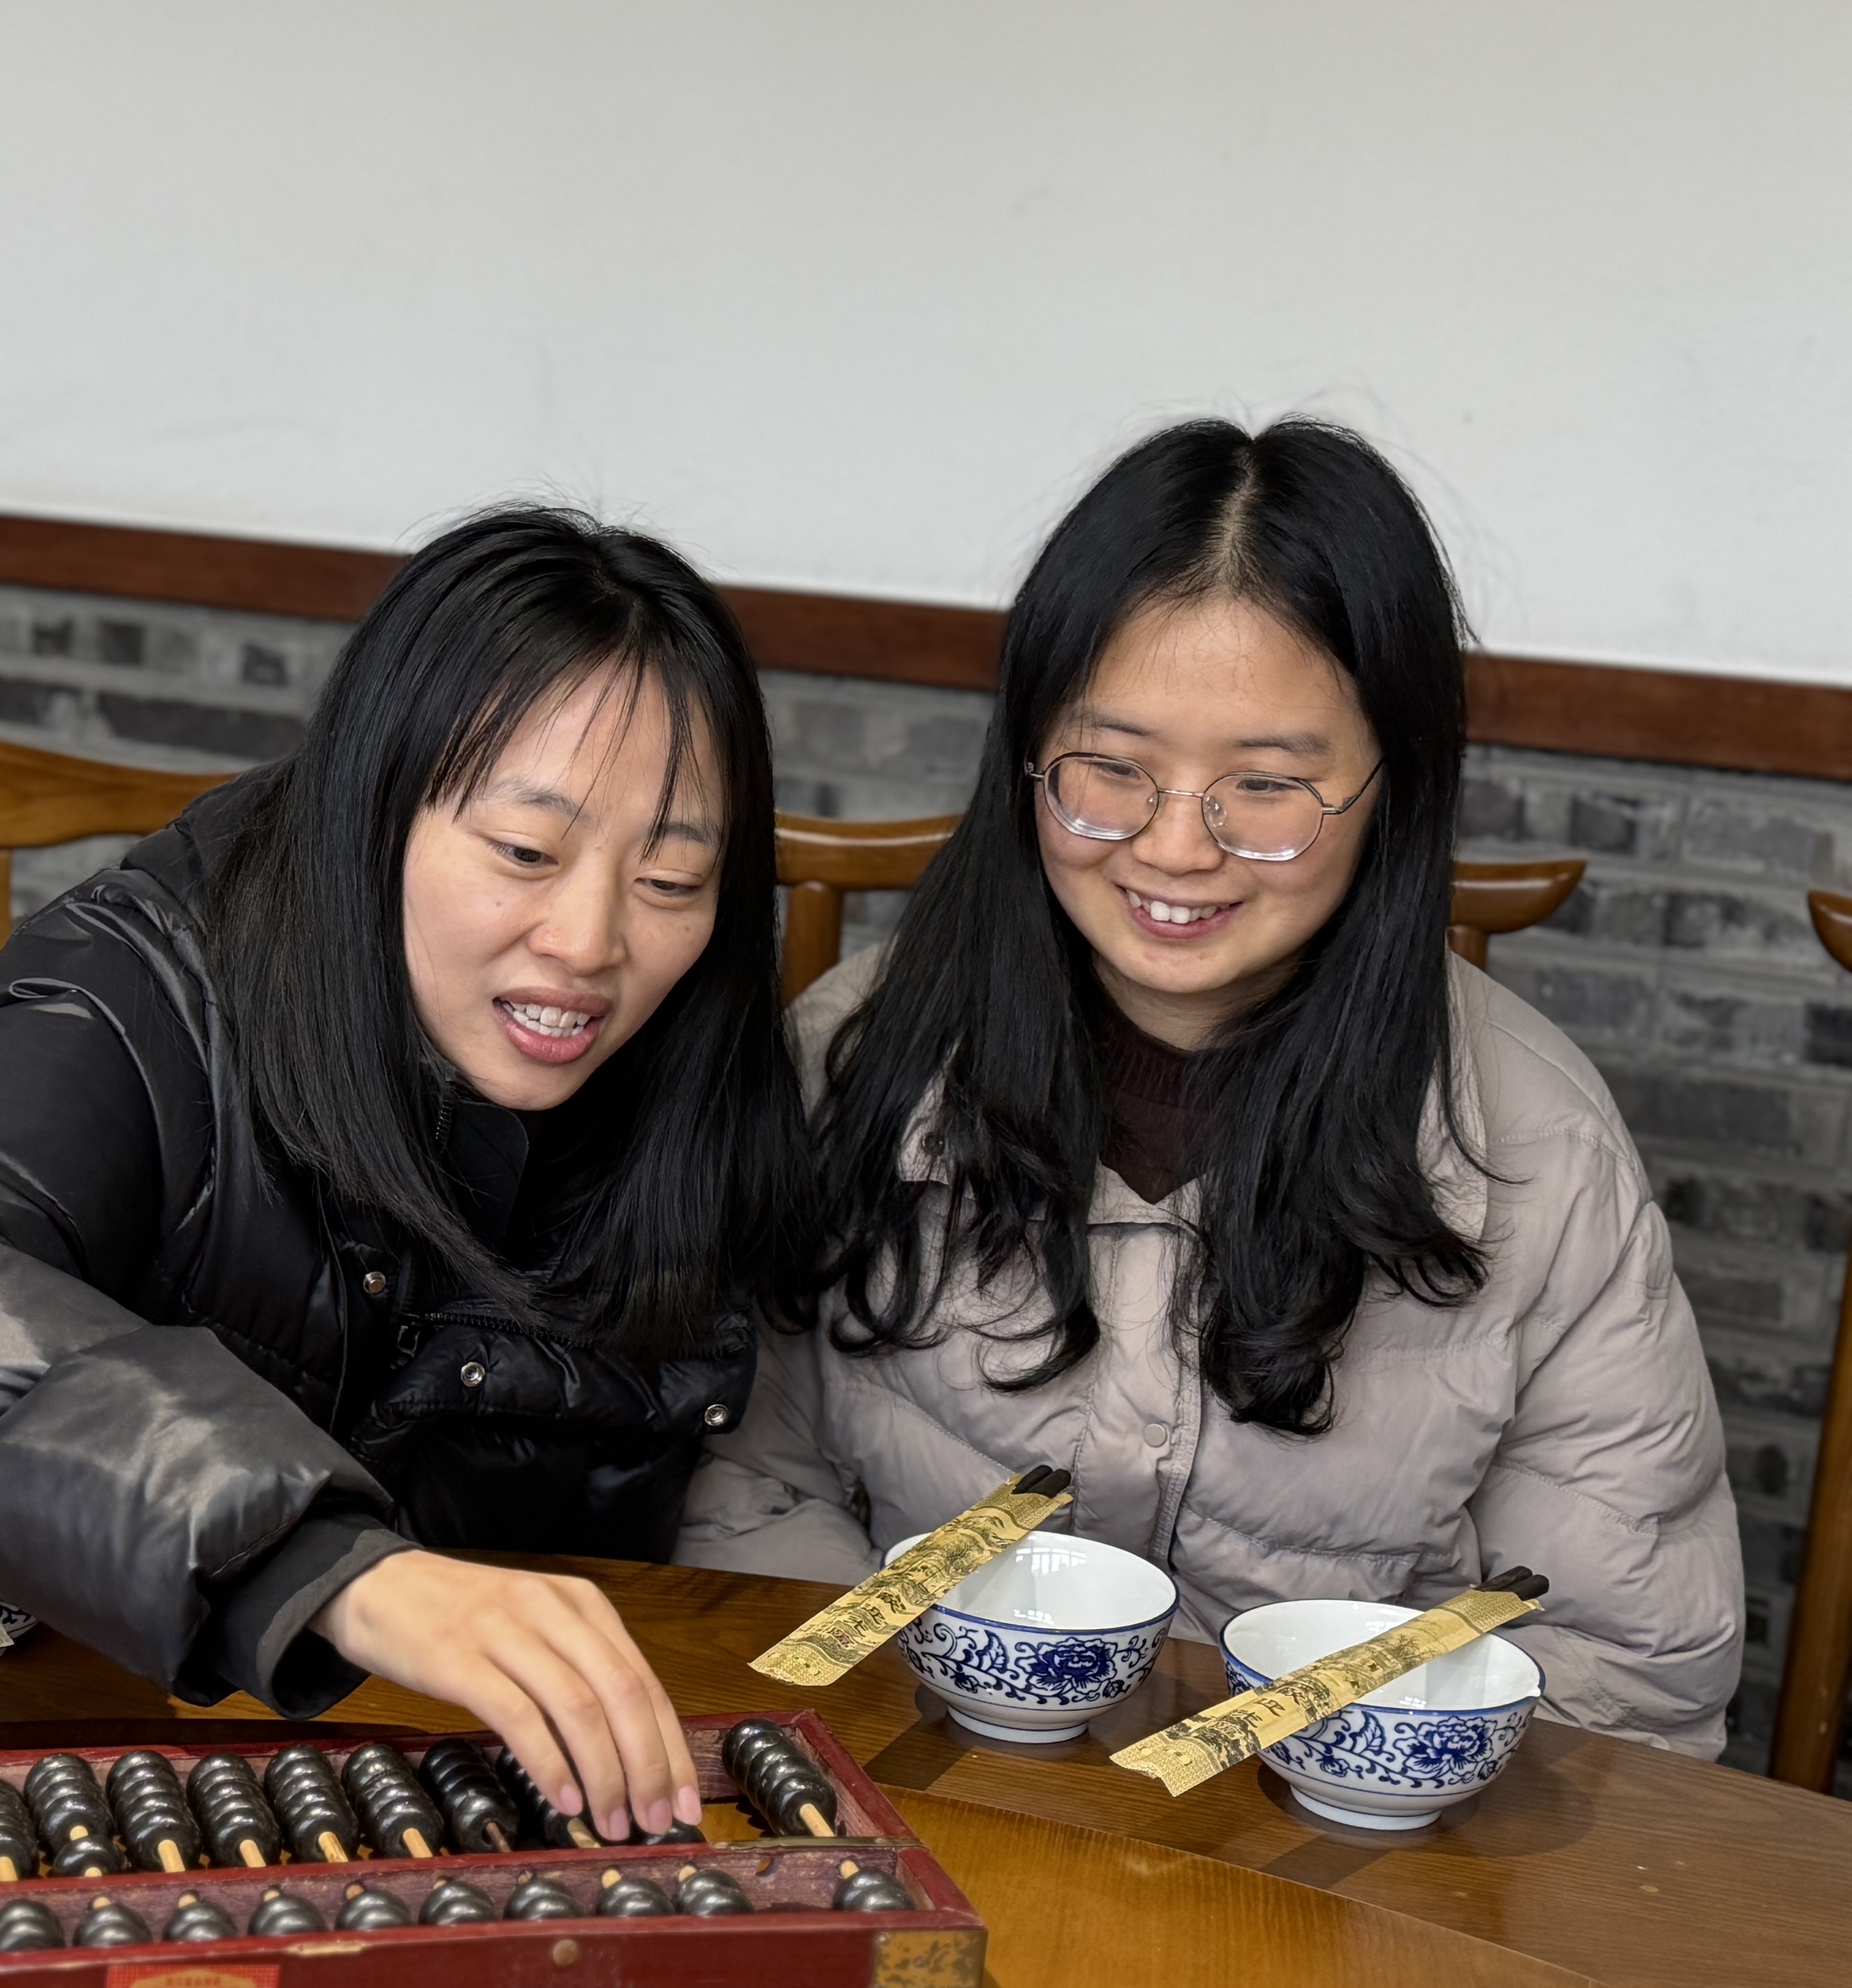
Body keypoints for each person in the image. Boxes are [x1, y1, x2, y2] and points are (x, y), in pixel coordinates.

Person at [679, 419, 1742, 1752]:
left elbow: (1621, 1677)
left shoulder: (1536, 1153)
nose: (1177, 847)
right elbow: (745, 1496)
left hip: (1339, 1853)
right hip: (924, 1782)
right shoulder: (857, 1058)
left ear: (1393, 786)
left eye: (1268, 785)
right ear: (1028, 753)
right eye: (1113, 769)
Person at [0, 506, 810, 1834]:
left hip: (386, 1791)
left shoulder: (692, 1071)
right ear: (373, 807)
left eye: (671, 878)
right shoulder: (151, 981)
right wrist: (327, 1566)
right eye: (525, 853)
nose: (592, 941)